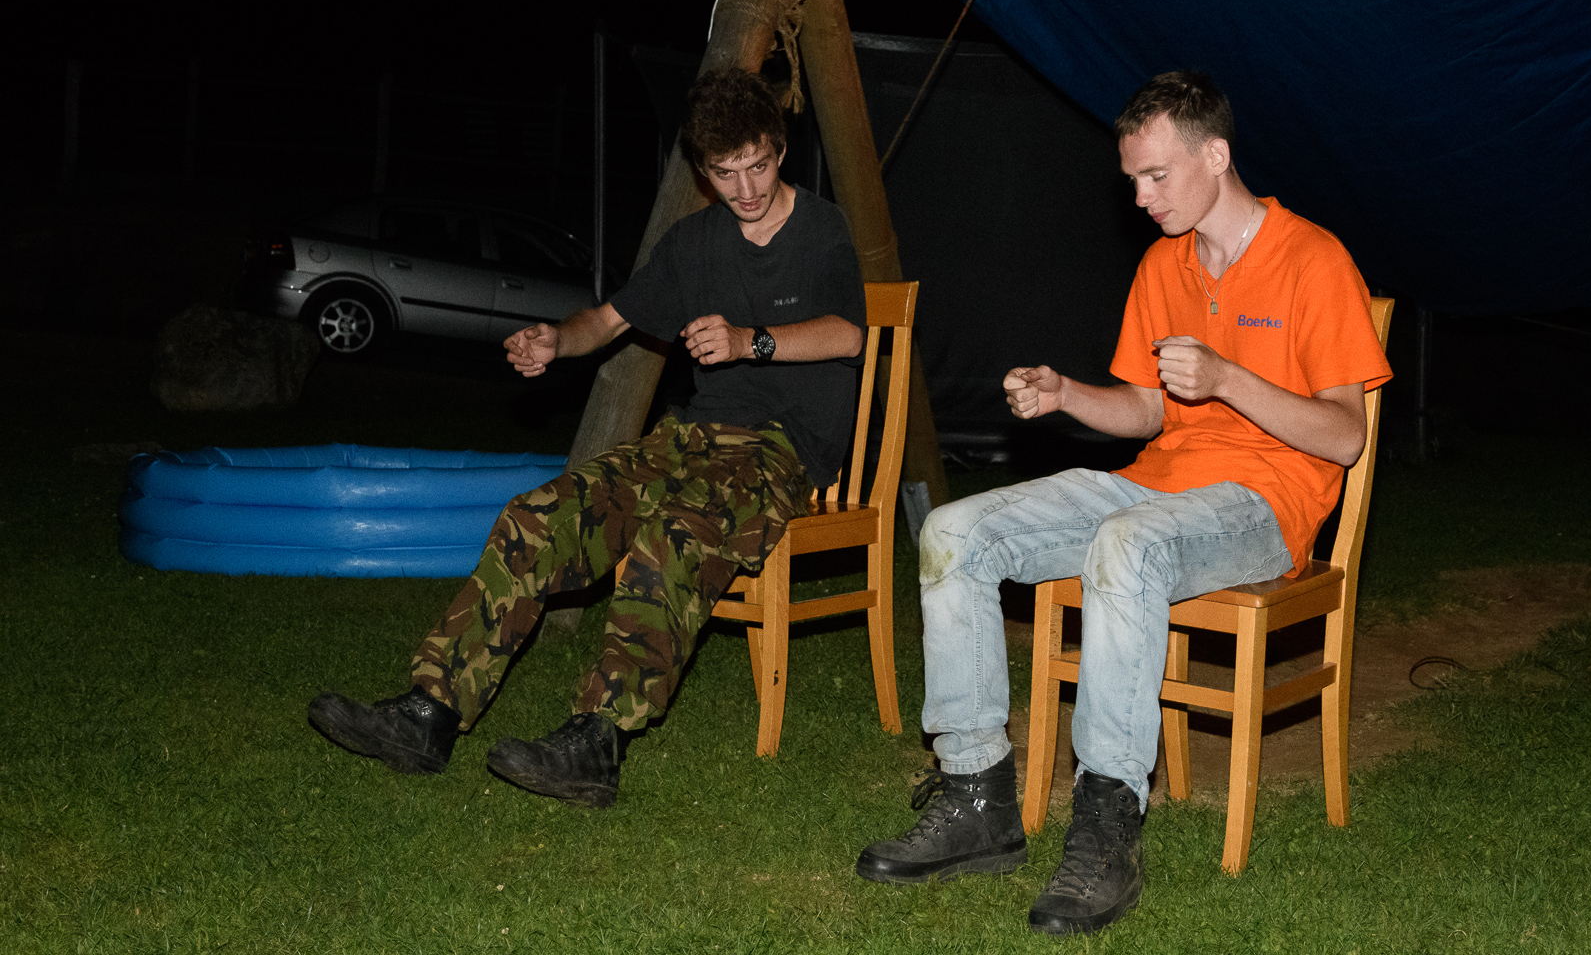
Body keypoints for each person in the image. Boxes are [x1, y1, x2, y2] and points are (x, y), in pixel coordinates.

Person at [855, 70, 1392, 935]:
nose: (1140, 197)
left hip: (1263, 503)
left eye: (1156, 175)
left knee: (1126, 544)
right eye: (1133, 179)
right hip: (1155, 486)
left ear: (1215, 156)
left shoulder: (1313, 259)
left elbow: (1344, 437)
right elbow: (1145, 410)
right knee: (956, 532)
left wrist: (1228, 379)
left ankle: (1107, 826)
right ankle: (975, 795)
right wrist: (1065, 393)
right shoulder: (1162, 265)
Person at [308, 67, 866, 807]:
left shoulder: (821, 229)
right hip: (687, 440)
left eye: (757, 166)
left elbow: (849, 333)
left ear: (779, 148)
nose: (746, 188)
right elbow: (606, 320)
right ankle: (429, 714)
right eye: (725, 173)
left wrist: (748, 341)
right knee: (536, 518)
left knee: (673, 537)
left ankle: (596, 744)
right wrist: (556, 340)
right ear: (703, 172)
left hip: (778, 452)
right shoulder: (693, 243)